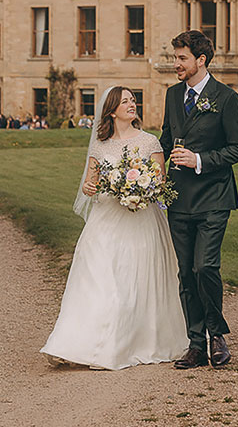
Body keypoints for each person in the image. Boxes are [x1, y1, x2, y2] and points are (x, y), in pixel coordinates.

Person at [41, 86, 188, 370]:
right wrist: (88, 186)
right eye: (125, 102)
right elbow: (90, 184)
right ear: (111, 111)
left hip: (140, 220)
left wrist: (141, 189)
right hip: (105, 220)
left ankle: (126, 341)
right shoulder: (100, 144)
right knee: (95, 278)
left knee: (133, 281)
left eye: (133, 100)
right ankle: (72, 343)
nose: (132, 105)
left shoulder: (150, 143)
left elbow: (161, 183)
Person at [160, 30, 238, 369]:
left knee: (205, 267)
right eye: (175, 58)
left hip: (214, 198)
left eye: (181, 58)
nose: (176, 64)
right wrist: (140, 169)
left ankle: (217, 335)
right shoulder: (171, 96)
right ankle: (195, 344)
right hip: (178, 198)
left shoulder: (225, 98)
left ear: (201, 60)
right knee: (185, 273)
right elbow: (166, 140)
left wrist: (199, 160)